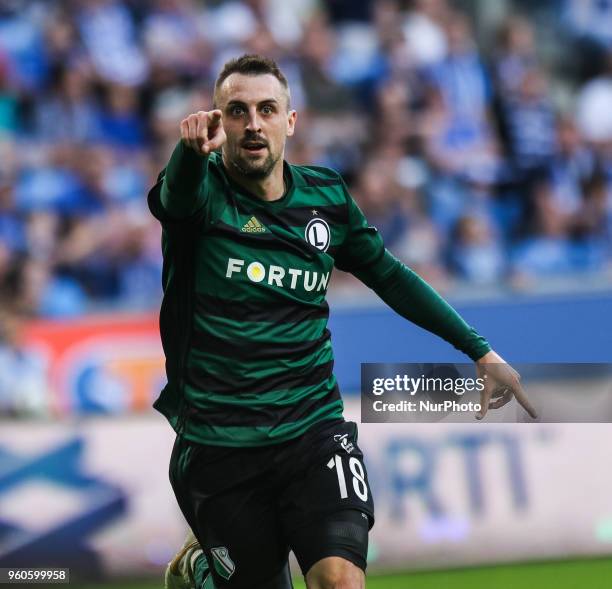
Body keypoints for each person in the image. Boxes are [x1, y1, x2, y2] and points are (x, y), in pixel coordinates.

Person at [148, 54, 537, 589]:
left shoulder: (325, 198)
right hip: (220, 446)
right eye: (236, 111)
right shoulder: (201, 194)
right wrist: (188, 153)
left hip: (313, 431)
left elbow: (391, 276)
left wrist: (480, 351)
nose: (253, 123)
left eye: (267, 109)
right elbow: (176, 196)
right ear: (217, 122)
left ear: (291, 121)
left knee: (340, 581)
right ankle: (203, 570)